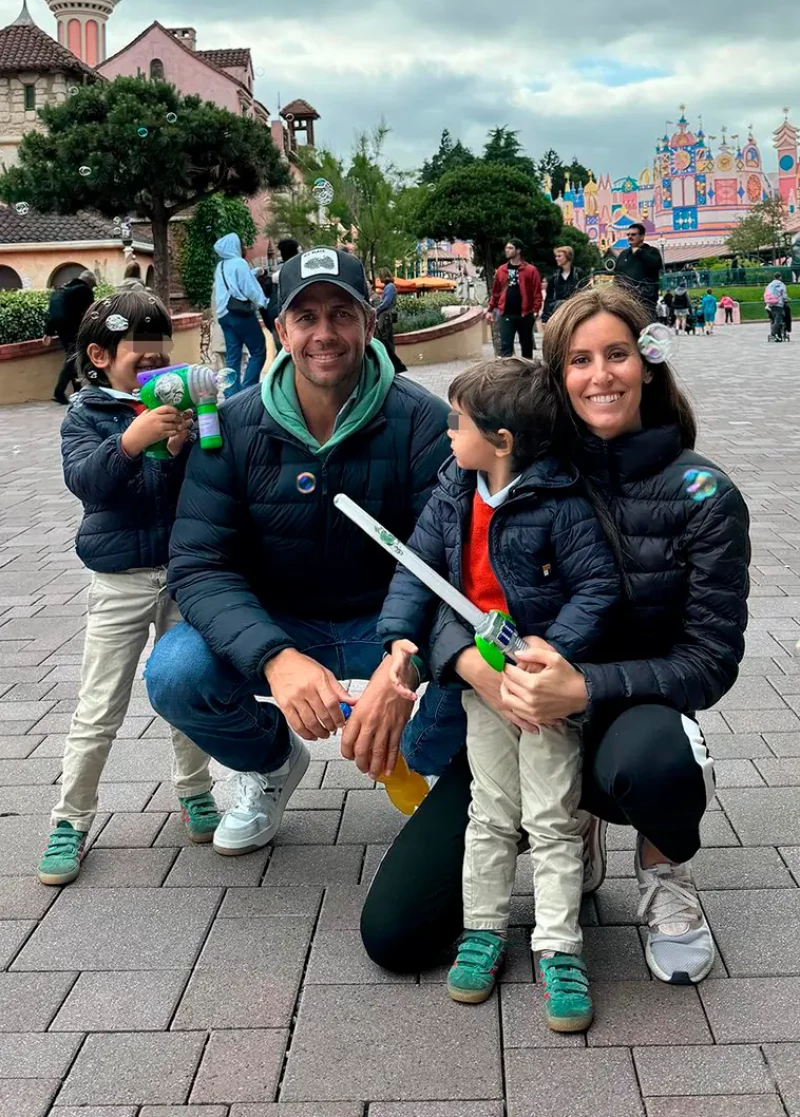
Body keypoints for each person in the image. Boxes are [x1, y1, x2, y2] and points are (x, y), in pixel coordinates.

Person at [360, 284, 749, 989]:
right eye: (578, 359)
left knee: (659, 759)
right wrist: (463, 665)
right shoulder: (500, 473)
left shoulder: (704, 495)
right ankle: (574, 827)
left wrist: (583, 683)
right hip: (511, 704)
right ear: (555, 377)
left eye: (618, 354)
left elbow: (710, 659)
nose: (600, 375)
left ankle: (664, 867)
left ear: (648, 363)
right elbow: (450, 585)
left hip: (625, 716)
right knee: (396, 931)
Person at [144, 248, 450, 857]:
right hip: (280, 622)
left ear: (369, 321)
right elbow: (200, 565)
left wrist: (406, 657)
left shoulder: (423, 422)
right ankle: (272, 764)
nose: (324, 333)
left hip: (389, 626)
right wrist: (275, 657)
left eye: (341, 313)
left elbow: (448, 563)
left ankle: (432, 767)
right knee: (174, 673)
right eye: (305, 316)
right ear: (280, 330)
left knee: (482, 674)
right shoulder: (229, 429)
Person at [380, 358, 619, 1030]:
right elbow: (416, 570)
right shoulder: (453, 490)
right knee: (489, 809)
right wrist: (401, 638)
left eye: (459, 422)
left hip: (540, 688)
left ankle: (559, 942)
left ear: (503, 439)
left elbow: (596, 587)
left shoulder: (561, 502)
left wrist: (552, 650)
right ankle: (483, 927)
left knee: (549, 813)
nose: (449, 432)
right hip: (481, 686)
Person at [36, 289, 220, 886]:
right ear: (98, 355)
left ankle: (195, 789)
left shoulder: (173, 408)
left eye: (160, 361)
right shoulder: (84, 414)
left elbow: (184, 492)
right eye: (140, 362)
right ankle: (71, 818)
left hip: (178, 577)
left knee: (183, 689)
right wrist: (131, 440)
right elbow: (89, 485)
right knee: (99, 703)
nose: (153, 372)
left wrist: (176, 448)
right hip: (118, 580)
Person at [213, 232, 269, 396]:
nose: (242, 247)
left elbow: (233, 283)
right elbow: (248, 287)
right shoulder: (239, 263)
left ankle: (231, 394)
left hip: (224, 316)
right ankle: (248, 390)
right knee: (258, 350)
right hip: (240, 314)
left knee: (233, 356)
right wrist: (263, 302)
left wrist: (256, 272)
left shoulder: (221, 266)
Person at [43, 270, 96, 404]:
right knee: (72, 360)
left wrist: (48, 332)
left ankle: (77, 390)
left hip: (61, 330)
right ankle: (59, 392)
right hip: (75, 329)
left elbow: (53, 314)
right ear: (89, 283)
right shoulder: (84, 291)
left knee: (72, 358)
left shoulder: (62, 289)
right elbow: (91, 312)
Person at [488, 239, 542, 358]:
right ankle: (507, 374)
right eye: (506, 248)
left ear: (518, 250)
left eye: (510, 248)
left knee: (526, 346)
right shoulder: (502, 270)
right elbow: (496, 291)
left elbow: (536, 292)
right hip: (506, 314)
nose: (507, 250)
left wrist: (536, 309)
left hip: (525, 314)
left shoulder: (530, 270)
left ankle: (527, 373)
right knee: (505, 347)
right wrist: (490, 310)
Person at [614, 224, 662, 320]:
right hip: (626, 301)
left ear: (642, 236)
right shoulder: (623, 255)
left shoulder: (651, 251)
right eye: (628, 235)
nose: (630, 237)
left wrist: (640, 253)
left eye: (633, 234)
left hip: (645, 300)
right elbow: (617, 274)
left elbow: (656, 265)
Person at [264, 238, 301, 354]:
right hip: (292, 316)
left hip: (274, 315)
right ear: (296, 252)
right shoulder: (299, 271)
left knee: (282, 352)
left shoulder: (274, 272)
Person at [373, 267, 406, 374]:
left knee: (384, 341)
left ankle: (393, 366)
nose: (379, 278)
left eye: (380, 276)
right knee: (386, 342)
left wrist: (375, 310)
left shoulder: (389, 287)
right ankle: (392, 366)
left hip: (386, 317)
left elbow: (386, 303)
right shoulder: (389, 287)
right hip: (386, 317)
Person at [541, 245, 582, 323]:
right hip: (558, 314)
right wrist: (545, 318)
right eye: (556, 256)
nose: (556, 258)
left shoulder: (578, 273)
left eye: (559, 256)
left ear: (568, 256)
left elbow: (584, 293)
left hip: (574, 313)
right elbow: (549, 298)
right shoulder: (554, 276)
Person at [764, 273, 789, 342]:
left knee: (773, 319)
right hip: (778, 304)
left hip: (769, 304)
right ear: (780, 277)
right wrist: (786, 299)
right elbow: (784, 295)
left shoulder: (769, 285)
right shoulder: (781, 285)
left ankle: (776, 334)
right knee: (778, 320)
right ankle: (774, 333)